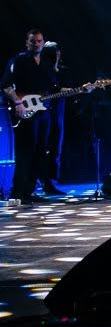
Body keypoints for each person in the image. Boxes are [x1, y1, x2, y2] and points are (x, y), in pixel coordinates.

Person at [2, 29, 88, 203]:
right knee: (25, 151)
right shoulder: (19, 60)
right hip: (25, 110)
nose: (36, 44)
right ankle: (17, 192)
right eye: (33, 41)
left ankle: (29, 192)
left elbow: (55, 89)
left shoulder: (46, 64)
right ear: (27, 42)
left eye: (39, 41)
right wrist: (17, 102)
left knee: (40, 152)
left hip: (43, 112)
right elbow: (6, 85)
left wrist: (81, 89)